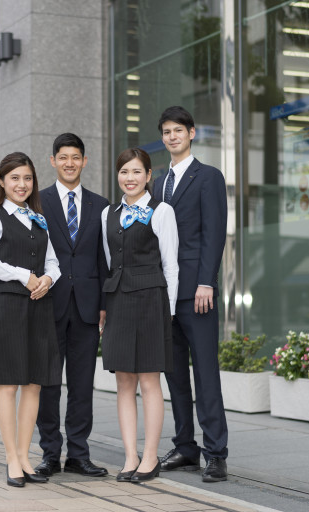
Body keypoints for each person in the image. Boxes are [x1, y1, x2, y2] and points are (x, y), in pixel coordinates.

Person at [0, 152, 62, 488]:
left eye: (27, 178)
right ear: (1, 181)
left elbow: (53, 261)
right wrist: (23, 275)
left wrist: (48, 279)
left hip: (39, 304)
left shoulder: (38, 217)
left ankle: (26, 456)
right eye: (14, 178)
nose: (21, 185)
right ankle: (11, 457)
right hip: (8, 305)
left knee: (34, 383)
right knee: (9, 383)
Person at [151, 106, 229, 482]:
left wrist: (206, 281)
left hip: (197, 292)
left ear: (192, 133)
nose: (171, 136)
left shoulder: (208, 177)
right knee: (175, 374)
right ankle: (185, 447)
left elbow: (214, 233)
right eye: (166, 131)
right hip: (164, 294)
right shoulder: (158, 183)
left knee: (205, 373)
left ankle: (216, 452)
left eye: (177, 130)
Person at [101, 147, 179, 483]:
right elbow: (109, 260)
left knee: (149, 382)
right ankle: (130, 455)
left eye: (136, 172)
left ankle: (150, 457)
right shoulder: (108, 213)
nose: (129, 178)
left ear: (149, 175)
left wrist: (169, 312)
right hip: (118, 300)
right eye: (123, 172)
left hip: (151, 301)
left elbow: (171, 266)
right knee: (123, 382)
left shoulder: (162, 211)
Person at [35, 133, 110, 477]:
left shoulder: (101, 205)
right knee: (49, 383)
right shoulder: (38, 202)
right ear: (52, 161)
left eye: (75, 157)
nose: (69, 163)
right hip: (48, 305)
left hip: (86, 309)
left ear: (84, 161)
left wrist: (105, 304)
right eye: (63, 157)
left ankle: (78, 453)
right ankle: (50, 452)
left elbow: (104, 260)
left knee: (82, 385)